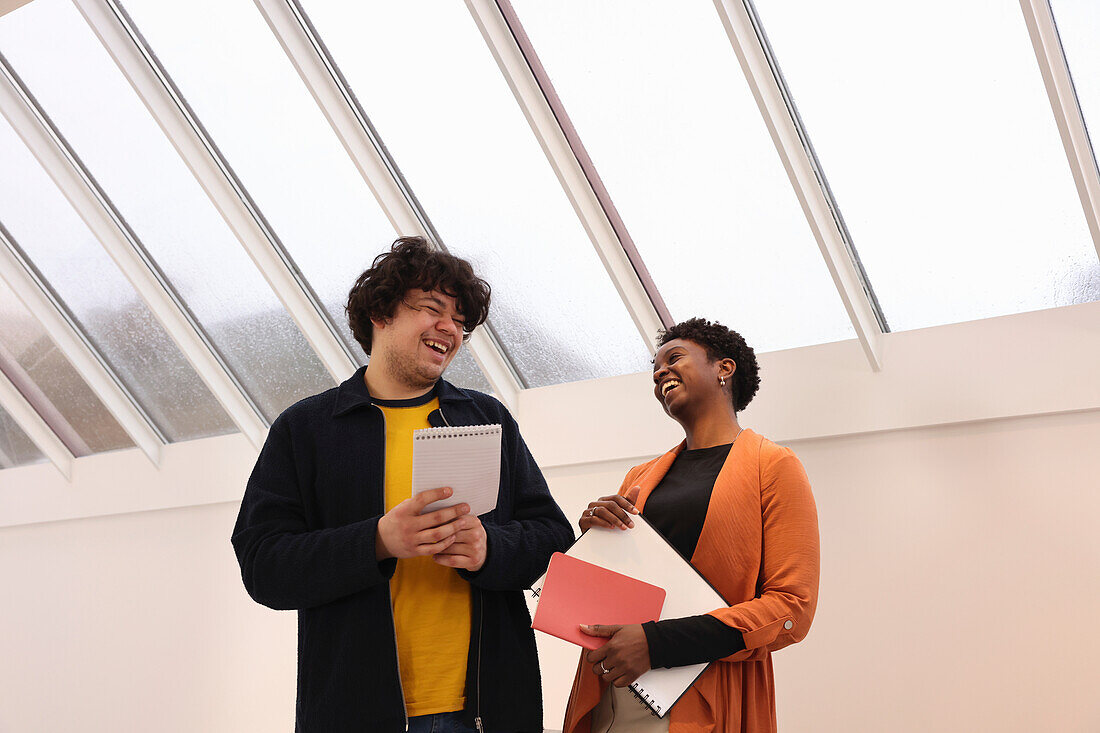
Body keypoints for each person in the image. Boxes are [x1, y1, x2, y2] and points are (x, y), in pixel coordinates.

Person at [232, 237, 574, 733]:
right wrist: (377, 541)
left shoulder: (485, 417)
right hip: (354, 715)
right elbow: (263, 565)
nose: (449, 329)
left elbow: (553, 539)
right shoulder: (306, 428)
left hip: (485, 712)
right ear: (380, 313)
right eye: (432, 309)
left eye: (460, 321)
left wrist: (488, 548)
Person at [562, 318, 820, 733]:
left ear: (724, 368)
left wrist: (657, 644)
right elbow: (628, 585)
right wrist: (593, 542)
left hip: (706, 694)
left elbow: (793, 607)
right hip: (614, 686)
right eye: (655, 370)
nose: (660, 372)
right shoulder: (640, 477)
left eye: (675, 358)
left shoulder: (773, 466)